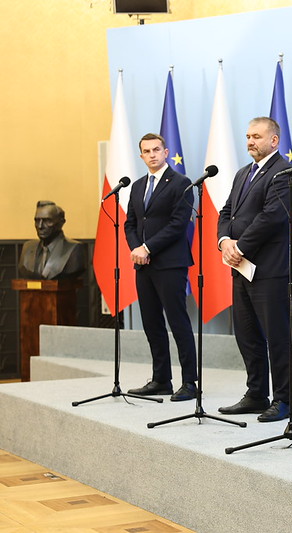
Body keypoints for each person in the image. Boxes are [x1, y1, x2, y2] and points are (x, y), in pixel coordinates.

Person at [217, 117, 292, 422]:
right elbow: (227, 211)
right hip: (241, 268)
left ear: (274, 140)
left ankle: (284, 400)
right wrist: (224, 240)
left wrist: (240, 247)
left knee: (277, 336)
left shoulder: (284, 172)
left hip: (270, 268)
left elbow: (272, 217)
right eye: (248, 136)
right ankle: (256, 394)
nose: (250, 141)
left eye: (257, 136)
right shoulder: (243, 173)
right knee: (247, 333)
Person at [125, 133, 197, 402]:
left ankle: (189, 382)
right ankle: (161, 380)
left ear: (166, 152)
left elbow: (178, 224)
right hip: (143, 265)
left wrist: (148, 248)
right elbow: (130, 223)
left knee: (178, 322)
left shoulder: (181, 183)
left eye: (156, 149)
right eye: (147, 151)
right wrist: (137, 248)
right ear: (141, 156)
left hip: (170, 263)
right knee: (151, 322)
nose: (152, 155)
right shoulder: (137, 186)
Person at [19, 201, 86, 280]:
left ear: (61, 222)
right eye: (37, 220)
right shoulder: (27, 248)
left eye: (47, 221)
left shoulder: (74, 249)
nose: (40, 226)